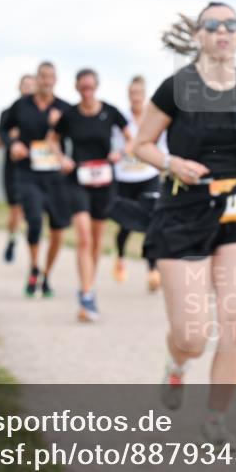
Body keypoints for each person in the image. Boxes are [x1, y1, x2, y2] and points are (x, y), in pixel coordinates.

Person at [134, 2, 236, 444]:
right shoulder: (176, 87)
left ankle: (215, 418)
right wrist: (171, 162)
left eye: (231, 25)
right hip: (183, 210)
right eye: (212, 25)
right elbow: (140, 144)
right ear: (199, 36)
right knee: (192, 334)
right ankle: (177, 364)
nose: (222, 31)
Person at [51, 68, 133, 322]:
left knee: (97, 239)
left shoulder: (110, 111)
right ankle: (86, 294)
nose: (87, 92)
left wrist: (120, 153)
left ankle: (89, 285)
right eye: (82, 88)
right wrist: (62, 158)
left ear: (96, 87)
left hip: (104, 180)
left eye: (90, 88)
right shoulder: (70, 115)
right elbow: (52, 140)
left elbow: (131, 138)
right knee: (84, 237)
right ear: (77, 88)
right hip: (77, 180)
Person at [0, 61, 72, 298]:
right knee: (34, 221)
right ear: (37, 79)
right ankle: (33, 267)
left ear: (56, 80)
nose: (46, 80)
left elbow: (78, 135)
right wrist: (14, 143)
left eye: (51, 76)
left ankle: (47, 275)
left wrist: (59, 126)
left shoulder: (64, 108)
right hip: (27, 172)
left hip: (55, 175)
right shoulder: (21, 106)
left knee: (58, 228)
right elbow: (3, 129)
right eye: (42, 76)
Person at [112, 75, 165, 292]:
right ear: (128, 95)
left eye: (139, 94)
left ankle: (152, 270)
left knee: (152, 223)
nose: (135, 97)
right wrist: (119, 153)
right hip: (125, 177)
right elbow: (115, 147)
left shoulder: (153, 119)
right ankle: (121, 257)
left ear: (144, 96)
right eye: (132, 93)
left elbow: (163, 146)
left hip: (148, 176)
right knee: (126, 224)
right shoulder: (120, 120)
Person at [0, 74, 36, 262]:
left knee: (32, 211)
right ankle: (12, 239)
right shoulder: (8, 113)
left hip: (34, 169)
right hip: (12, 169)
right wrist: (11, 138)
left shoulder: (41, 112)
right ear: (19, 87)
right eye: (25, 85)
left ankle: (32, 248)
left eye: (31, 85)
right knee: (15, 211)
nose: (28, 88)